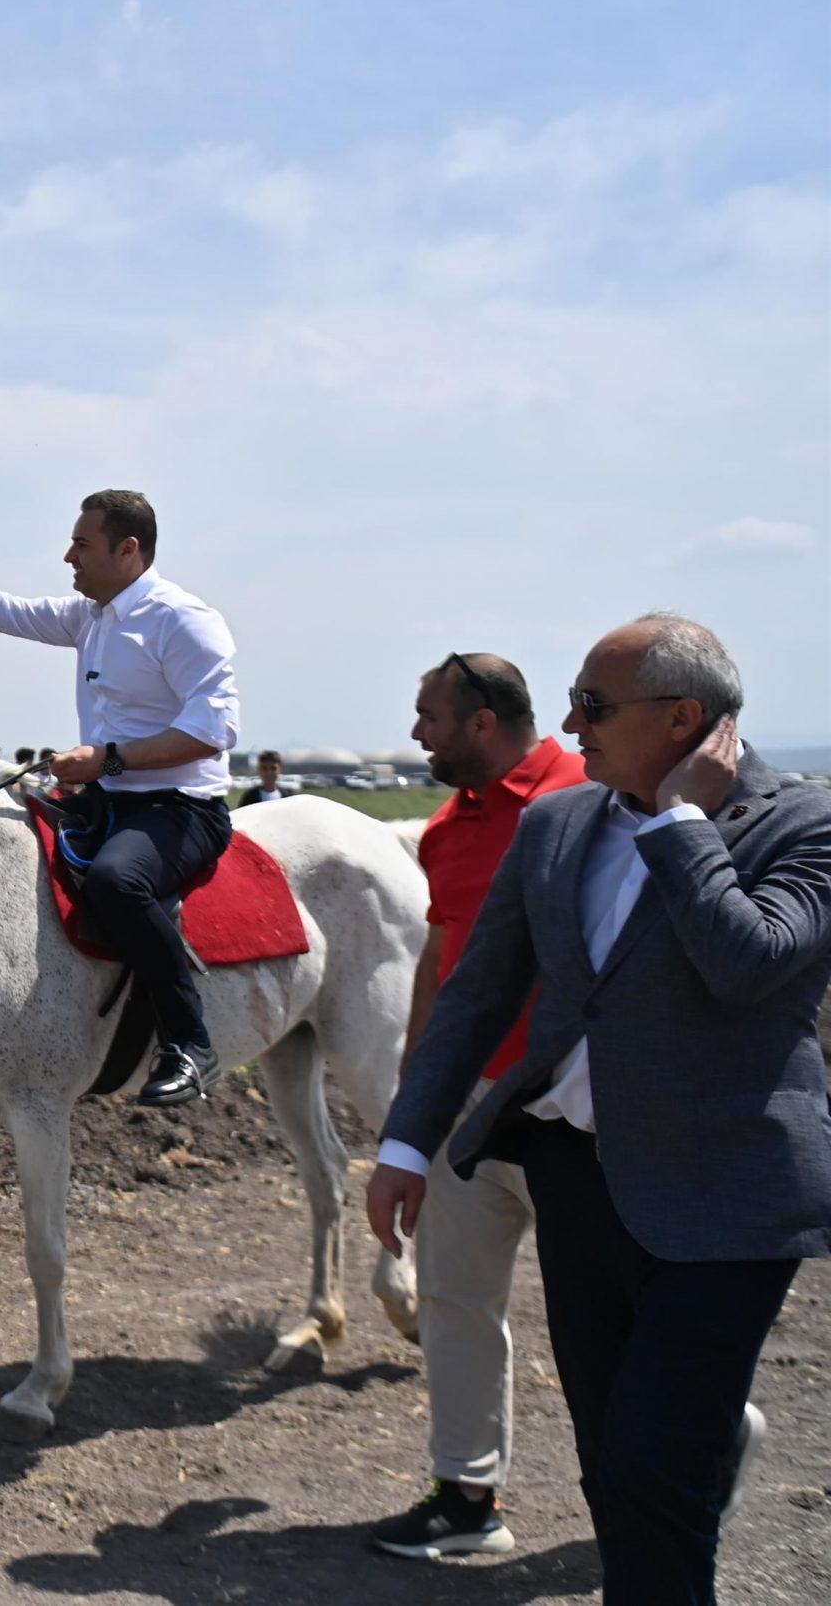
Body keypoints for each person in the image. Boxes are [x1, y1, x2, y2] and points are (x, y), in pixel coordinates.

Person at [367, 615, 831, 1605]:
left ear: (682, 717)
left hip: (726, 1195)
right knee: (608, 1451)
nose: (569, 724)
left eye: (593, 705)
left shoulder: (804, 821)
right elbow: (478, 990)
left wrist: (683, 823)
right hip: (579, 1177)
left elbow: (745, 961)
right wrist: (407, 1142)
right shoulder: (559, 822)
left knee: (654, 1460)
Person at [0, 486, 240, 1107]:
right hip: (105, 800)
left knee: (116, 883)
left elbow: (212, 733)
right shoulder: (89, 614)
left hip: (179, 810)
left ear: (128, 550)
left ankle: (191, 1045)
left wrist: (106, 759)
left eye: (82, 545)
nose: (68, 557)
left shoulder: (183, 619)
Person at [364, 654, 586, 1560]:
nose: (417, 732)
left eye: (429, 716)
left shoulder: (589, 801)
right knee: (455, 1300)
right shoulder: (451, 828)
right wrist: (416, 1113)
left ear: (483, 723)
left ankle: (703, 1440)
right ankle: (467, 1500)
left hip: (582, 1108)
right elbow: (441, 965)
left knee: (616, 1316)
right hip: (470, 1111)